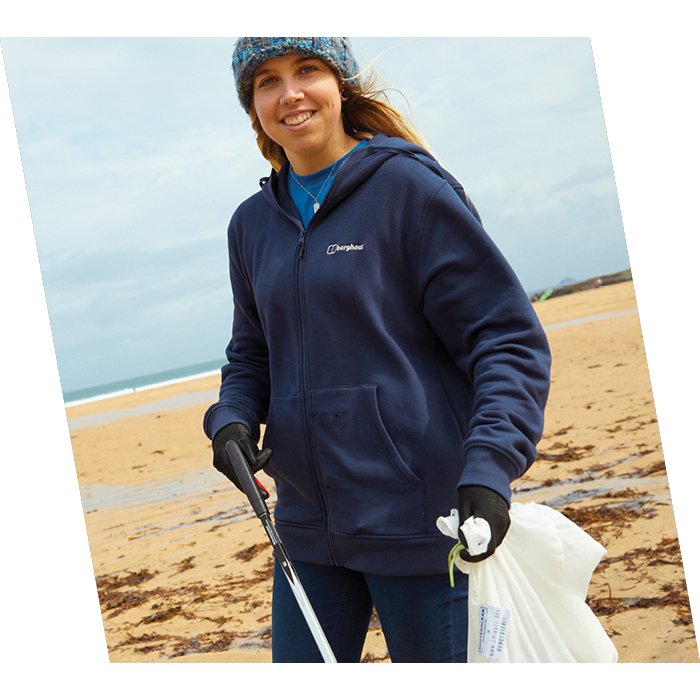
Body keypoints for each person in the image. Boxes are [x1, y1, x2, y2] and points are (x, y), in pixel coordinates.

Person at [203, 37, 551, 663]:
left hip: (421, 523)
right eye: (267, 82)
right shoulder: (250, 225)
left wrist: (490, 467)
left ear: (341, 85)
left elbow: (503, 338)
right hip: (306, 532)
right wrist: (230, 420)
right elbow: (252, 352)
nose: (290, 94)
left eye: (307, 70)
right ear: (251, 106)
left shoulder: (409, 190)